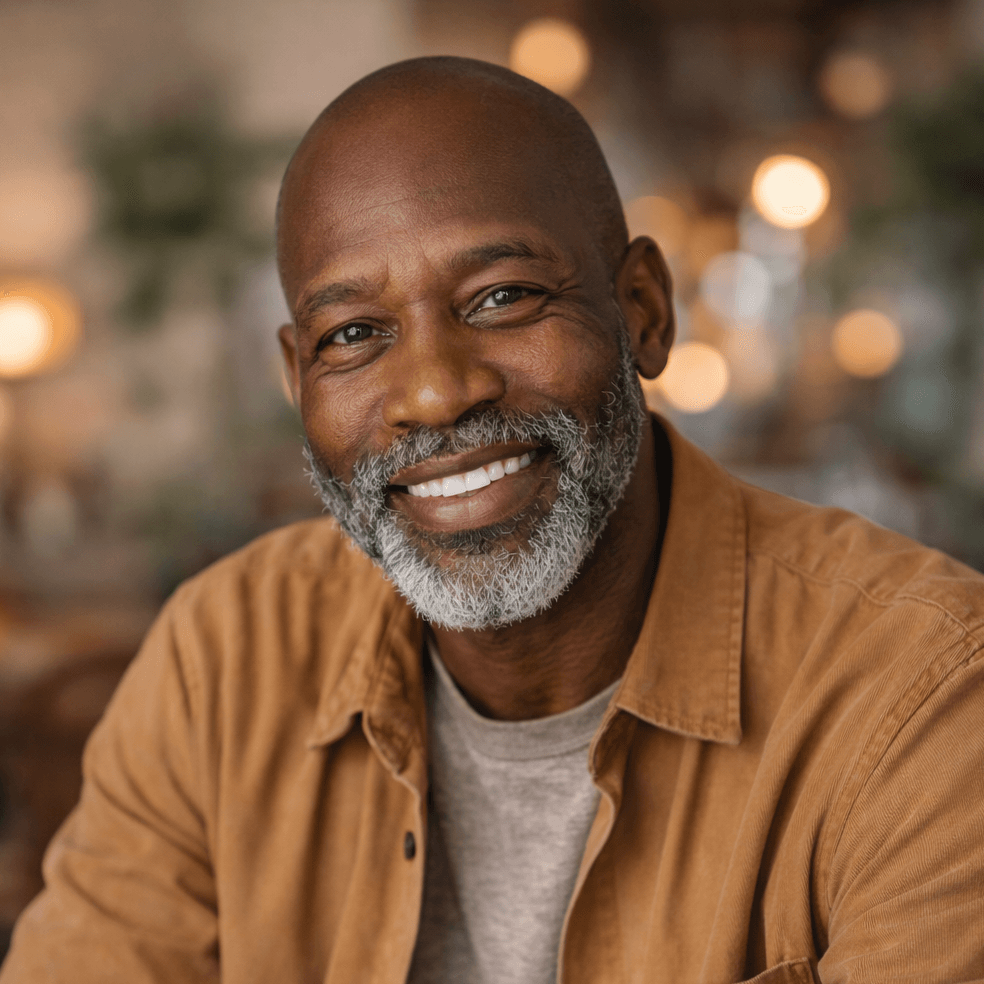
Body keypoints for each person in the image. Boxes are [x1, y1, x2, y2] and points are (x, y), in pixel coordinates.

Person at [3, 56, 983, 984]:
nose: (433, 393)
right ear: (298, 376)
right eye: (355, 335)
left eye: (504, 296)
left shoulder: (921, 694)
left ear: (641, 310)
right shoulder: (220, 661)